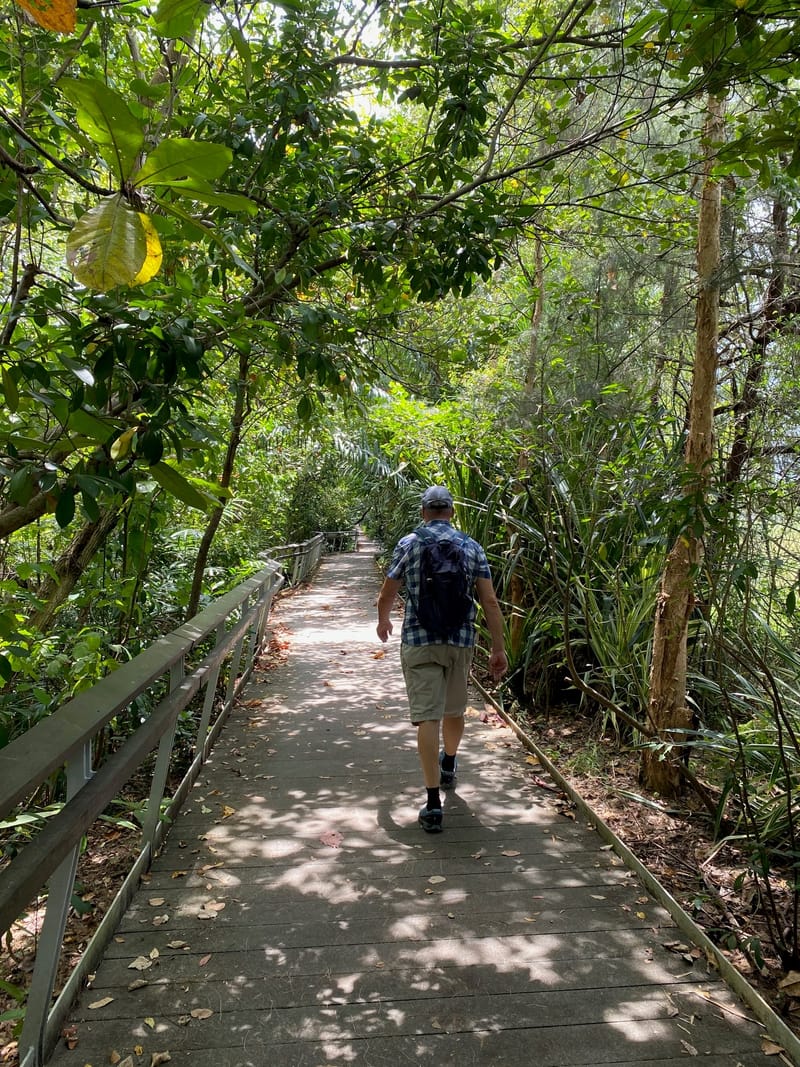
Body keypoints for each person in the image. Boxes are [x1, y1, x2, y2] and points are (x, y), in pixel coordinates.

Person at [376, 486, 508, 833]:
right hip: (460, 640)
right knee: (453, 709)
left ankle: (433, 804)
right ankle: (448, 762)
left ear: (424, 512)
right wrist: (498, 648)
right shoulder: (471, 546)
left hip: (420, 641)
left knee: (427, 718)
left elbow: (388, 591)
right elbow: (490, 602)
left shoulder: (409, 544)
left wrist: (384, 620)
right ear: (451, 512)